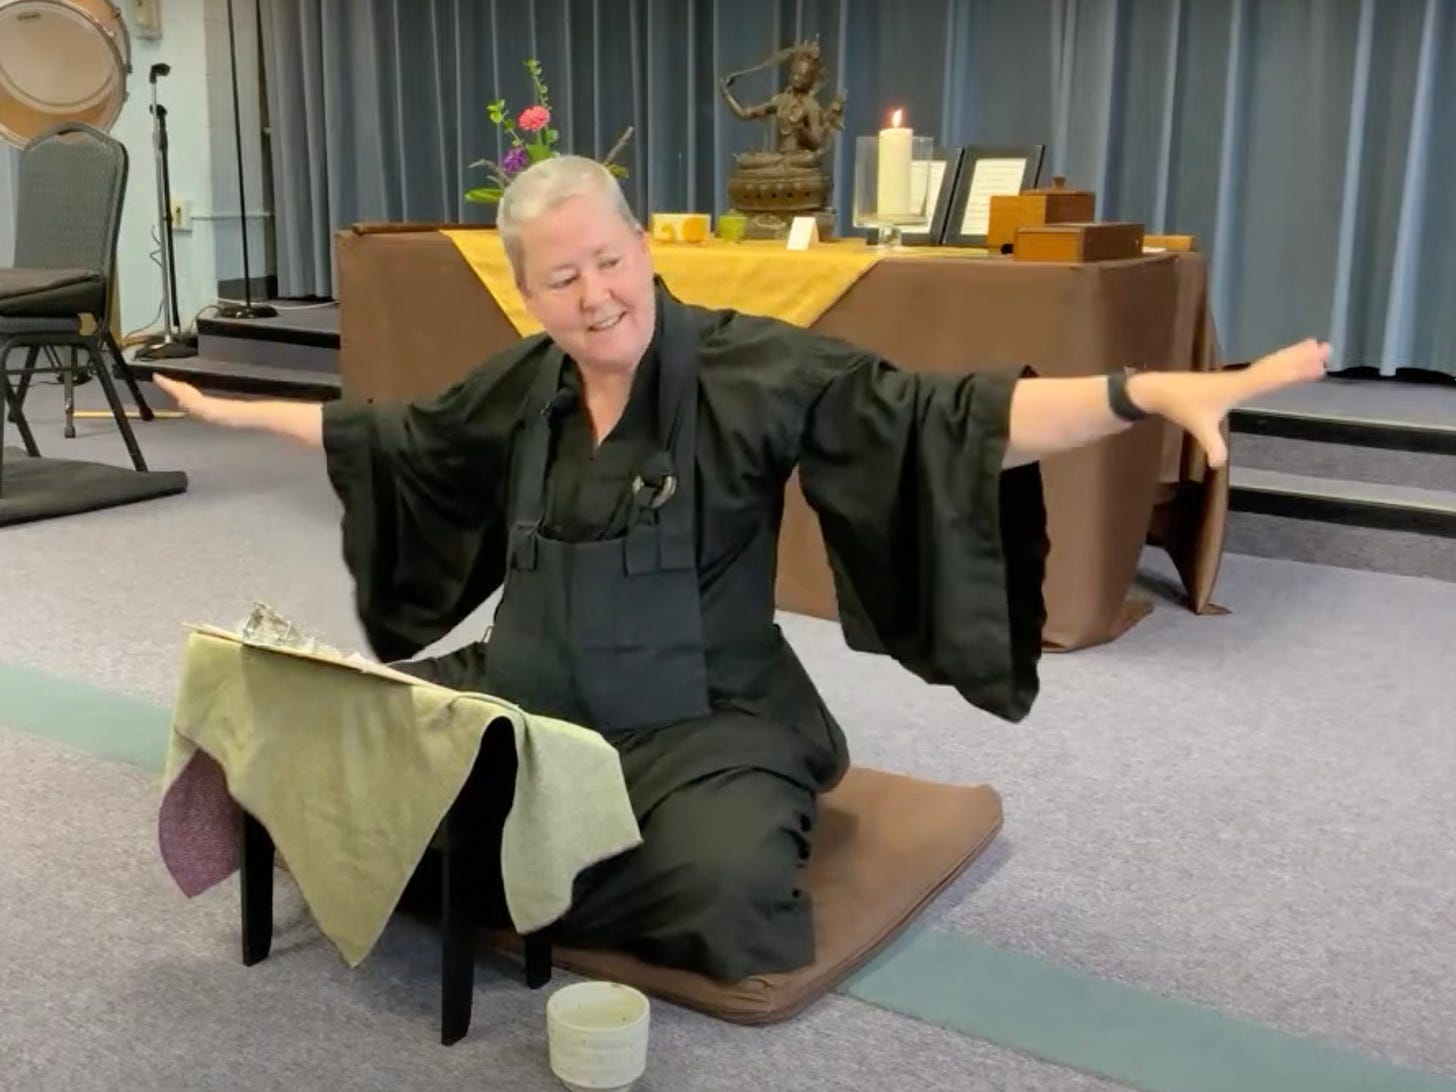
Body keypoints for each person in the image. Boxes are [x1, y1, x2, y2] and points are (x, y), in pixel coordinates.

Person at [153, 155, 1327, 983]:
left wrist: (1142, 393)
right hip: (530, 701)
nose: (594, 295)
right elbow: (400, 437)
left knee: (734, 903)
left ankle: (506, 862)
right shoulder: (528, 381)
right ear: (526, 291)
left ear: (644, 246)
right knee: (333, 764)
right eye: (560, 279)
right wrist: (252, 415)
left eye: (608, 261)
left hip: (700, 719)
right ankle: (499, 849)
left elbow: (941, 419)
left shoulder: (750, 367)